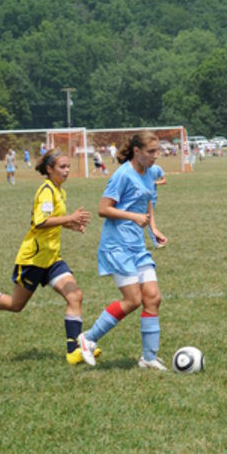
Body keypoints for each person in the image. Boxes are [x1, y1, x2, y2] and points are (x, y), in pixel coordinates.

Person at [78, 131, 168, 371]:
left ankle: (148, 358)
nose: (156, 156)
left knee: (153, 297)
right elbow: (103, 209)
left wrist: (153, 229)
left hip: (137, 246)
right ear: (136, 151)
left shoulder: (150, 173)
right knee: (133, 300)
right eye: (151, 152)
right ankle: (88, 338)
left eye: (157, 151)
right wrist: (132, 216)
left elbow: (148, 200)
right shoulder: (122, 175)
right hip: (117, 246)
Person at [0, 148, 95, 365]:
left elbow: (54, 220)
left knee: (75, 296)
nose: (67, 170)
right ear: (50, 169)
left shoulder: (59, 191)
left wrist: (71, 225)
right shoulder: (46, 191)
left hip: (52, 259)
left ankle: (73, 350)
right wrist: (69, 218)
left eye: (68, 166)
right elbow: (40, 222)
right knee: (15, 305)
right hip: (33, 259)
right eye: (62, 167)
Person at [147, 163, 166, 248]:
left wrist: (155, 182)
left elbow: (164, 181)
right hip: (142, 196)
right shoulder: (143, 167)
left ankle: (157, 242)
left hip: (152, 197)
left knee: (149, 219)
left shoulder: (157, 168)